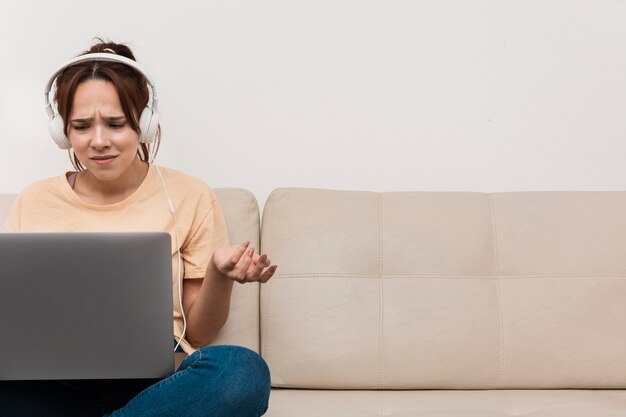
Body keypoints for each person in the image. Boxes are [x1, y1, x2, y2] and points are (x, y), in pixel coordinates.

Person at [0, 39, 276, 417]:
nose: (99, 142)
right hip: (54, 385)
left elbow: (199, 335)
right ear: (61, 131)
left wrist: (218, 273)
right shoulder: (33, 201)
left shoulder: (189, 195)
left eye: (116, 124)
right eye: (81, 127)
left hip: (157, 385)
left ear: (144, 124)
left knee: (241, 371)